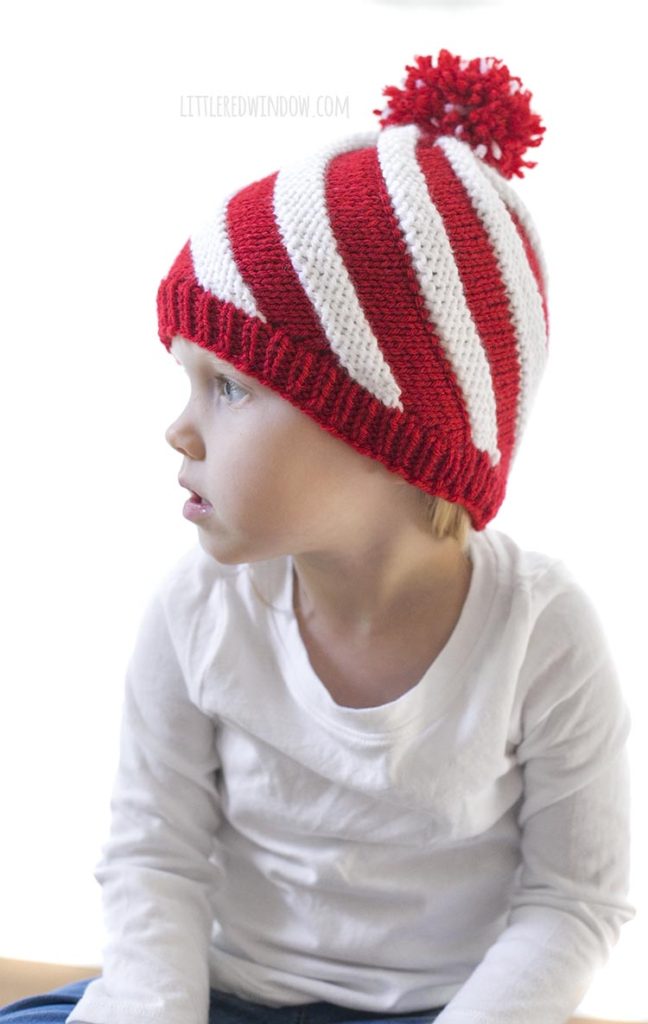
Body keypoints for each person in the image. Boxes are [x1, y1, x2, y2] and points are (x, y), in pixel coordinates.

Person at [0, 48, 634, 1024]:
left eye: (229, 386)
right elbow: (154, 853)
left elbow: (573, 901)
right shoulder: (197, 606)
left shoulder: (540, 630)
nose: (179, 430)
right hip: (226, 995)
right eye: (187, 380)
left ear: (385, 432)